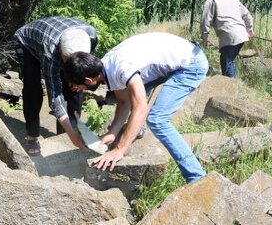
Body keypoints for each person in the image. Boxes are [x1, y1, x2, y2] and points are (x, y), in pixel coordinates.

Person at [64, 32, 208, 184]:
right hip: (174, 58)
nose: (78, 90)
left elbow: (141, 109)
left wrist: (119, 149)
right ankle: (135, 130)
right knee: (134, 93)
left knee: (156, 120)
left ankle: (197, 177)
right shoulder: (105, 66)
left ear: (89, 80)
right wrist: (112, 133)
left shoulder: (121, 69)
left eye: (78, 86)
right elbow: (124, 102)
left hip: (191, 63)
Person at [13, 17, 97, 156]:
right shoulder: (50, 52)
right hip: (27, 41)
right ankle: (32, 136)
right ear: (60, 51)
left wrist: (80, 82)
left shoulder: (91, 37)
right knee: (33, 88)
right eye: (66, 62)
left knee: (74, 88)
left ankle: (64, 137)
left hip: (60, 34)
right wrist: (73, 136)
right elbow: (54, 95)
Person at [200, 0, 254, 77]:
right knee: (229, 60)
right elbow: (246, 14)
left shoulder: (210, 1)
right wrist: (249, 28)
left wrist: (204, 38)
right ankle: (232, 84)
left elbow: (205, 21)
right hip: (241, 34)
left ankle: (230, 86)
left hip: (229, 35)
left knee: (226, 62)